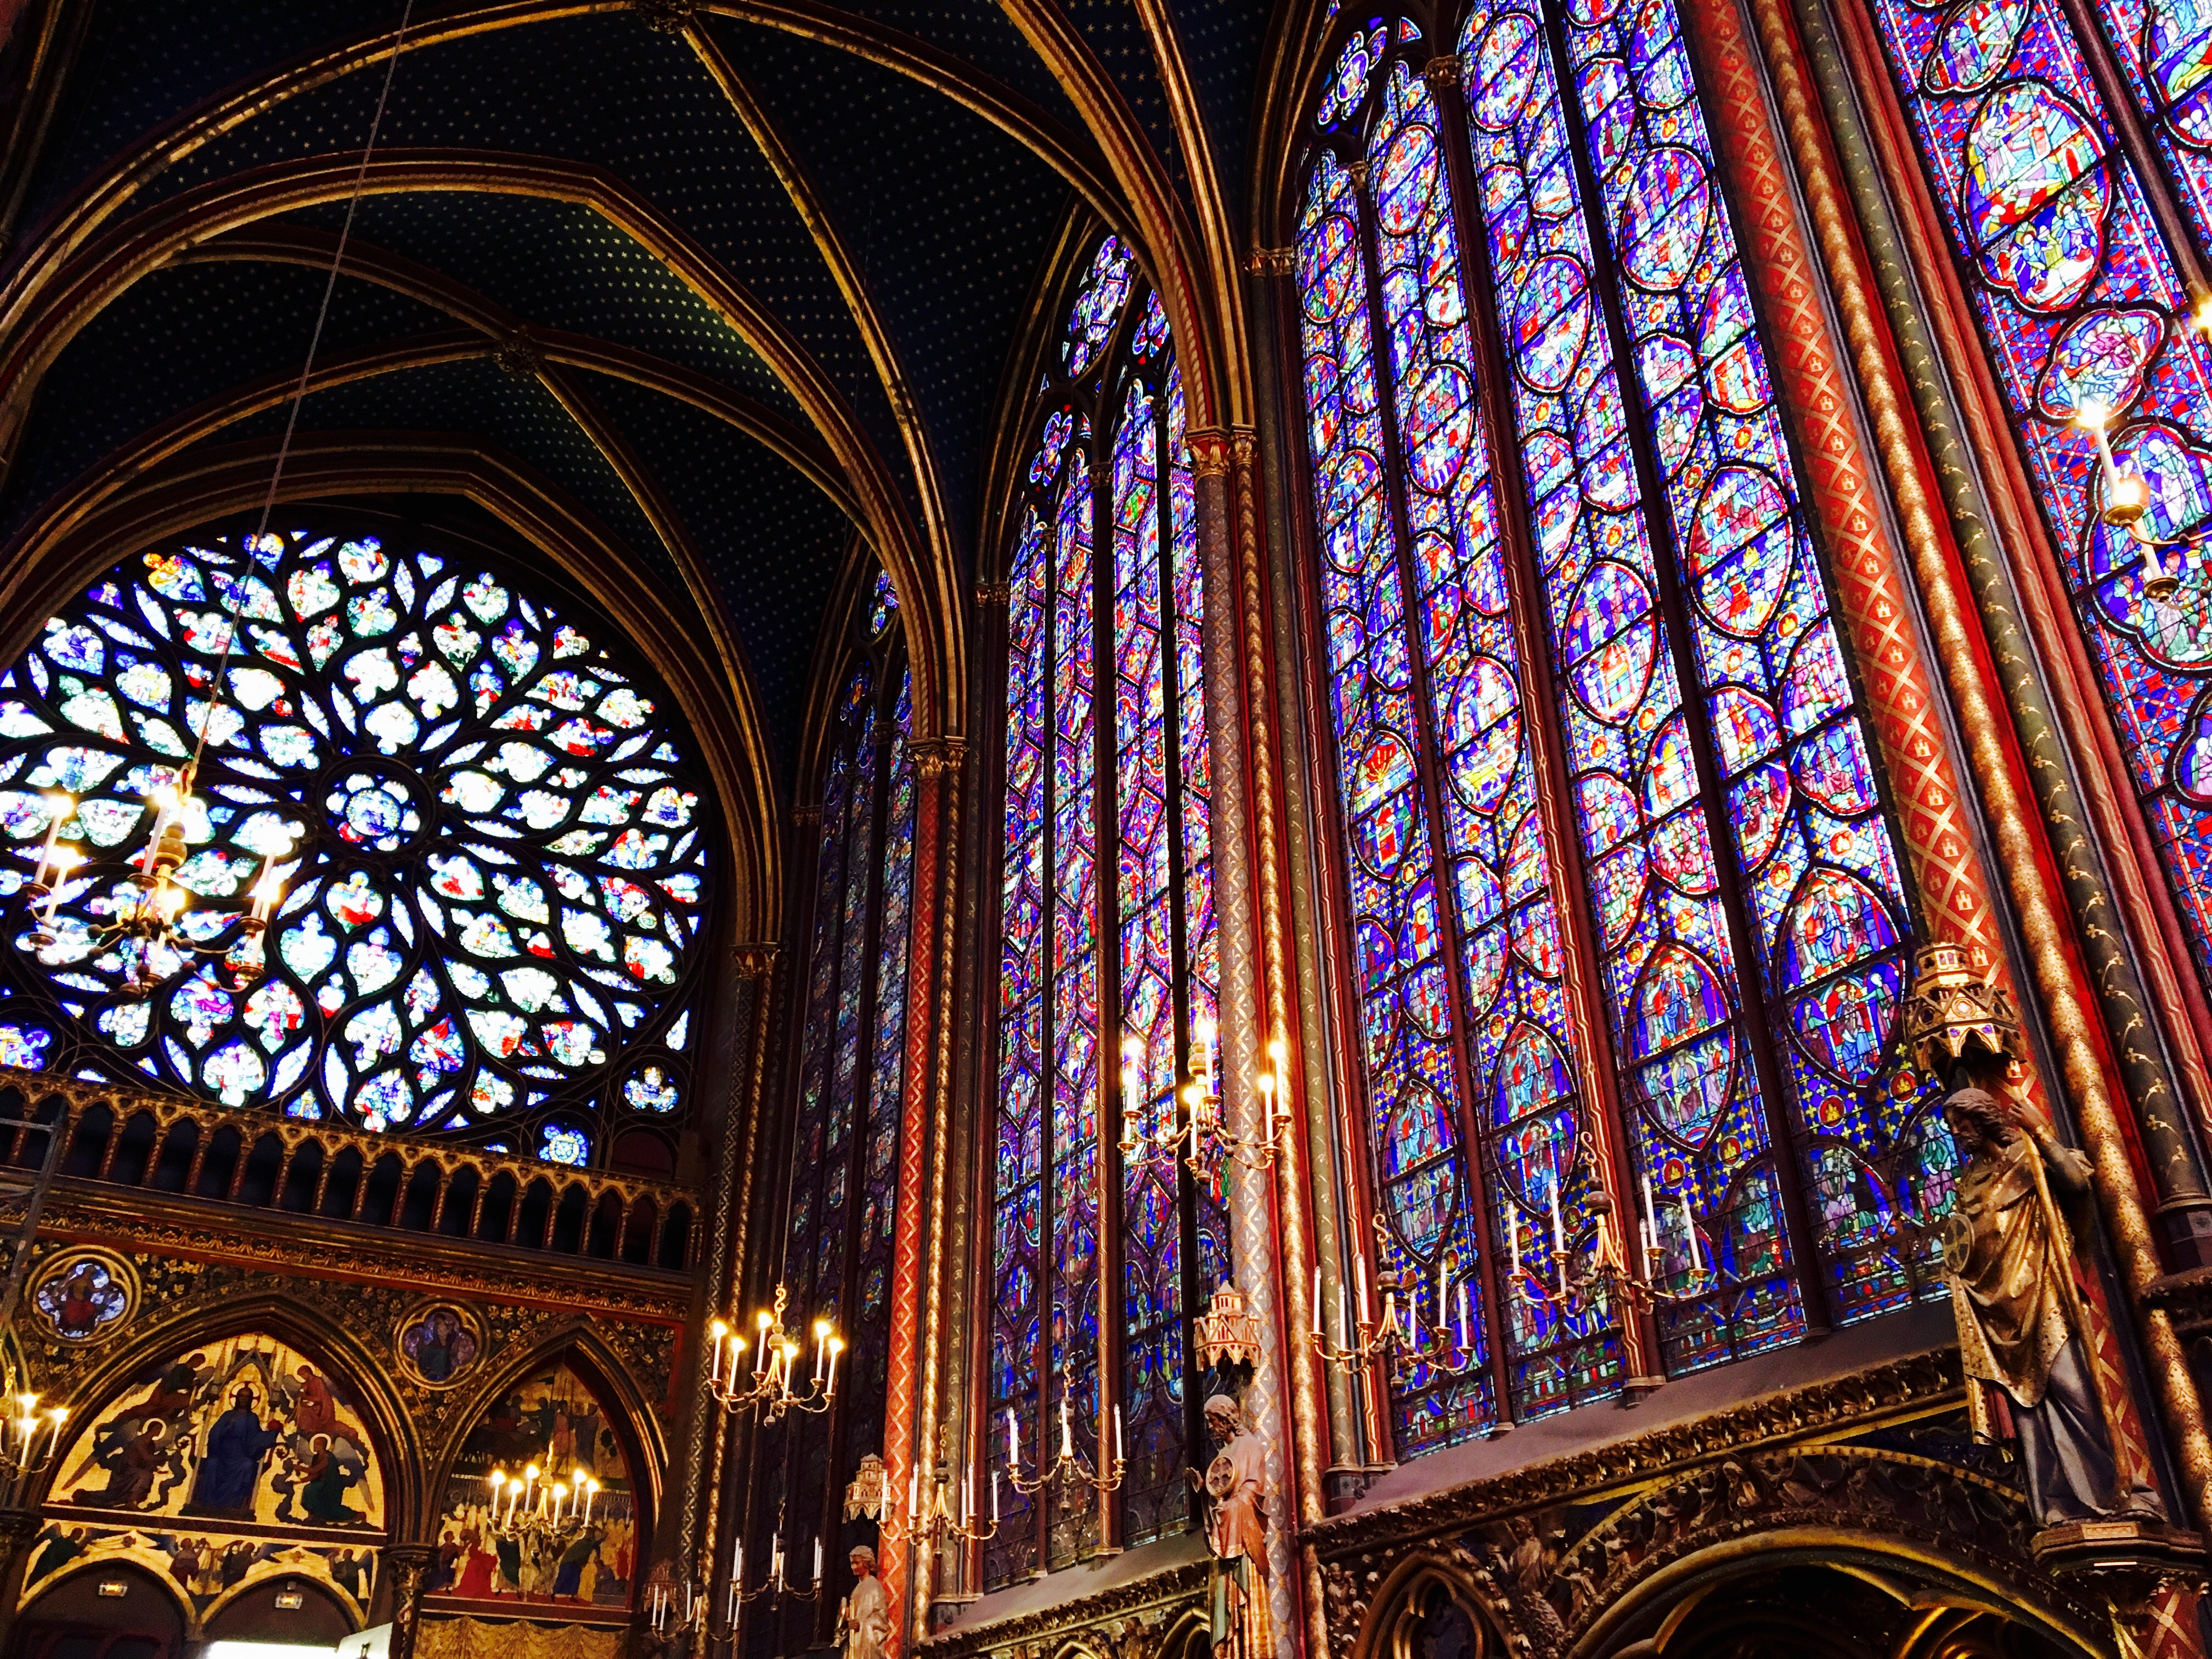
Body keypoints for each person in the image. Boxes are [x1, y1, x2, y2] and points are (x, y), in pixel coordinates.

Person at [1940, 1085, 2159, 1526]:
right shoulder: (1968, 1182)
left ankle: (2114, 1495)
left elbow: (2077, 1184)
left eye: (1963, 1122)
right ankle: (2057, 1506)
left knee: (2074, 1391)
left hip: (2043, 1294)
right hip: (1997, 1308)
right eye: (1952, 1127)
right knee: (2028, 1410)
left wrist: (2042, 1132)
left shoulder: (2029, 1156)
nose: (1958, 1132)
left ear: (1984, 1117)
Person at [1193, 1394, 1270, 1659]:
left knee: (1244, 1604)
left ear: (1226, 1419)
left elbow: (1252, 1491)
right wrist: (1205, 1492)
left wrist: (1230, 1508)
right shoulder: (1224, 1455)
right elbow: (1221, 1492)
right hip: (1226, 1540)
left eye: (1213, 1421)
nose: (1210, 1427)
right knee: (1223, 1605)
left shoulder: (1249, 1446)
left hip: (1243, 1541)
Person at [187, 1385, 282, 1517]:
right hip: (222, 1452)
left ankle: (233, 1504)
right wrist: (227, 1428)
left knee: (247, 1465)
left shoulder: (252, 1418)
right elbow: (214, 1434)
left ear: (251, 1400)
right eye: (241, 1396)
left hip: (240, 1453)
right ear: (237, 1398)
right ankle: (208, 1503)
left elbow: (256, 1439)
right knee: (212, 1464)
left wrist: (271, 1433)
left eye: (247, 1397)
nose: (244, 1399)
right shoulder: (228, 1415)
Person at [835, 1544, 890, 1659]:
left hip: (867, 1644)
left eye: (857, 1563)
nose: (854, 1567)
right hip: (854, 1641)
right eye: (852, 1563)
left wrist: (861, 1623)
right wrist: (847, 1616)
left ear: (866, 1563)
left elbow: (881, 1616)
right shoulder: (857, 1589)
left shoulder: (874, 1586)